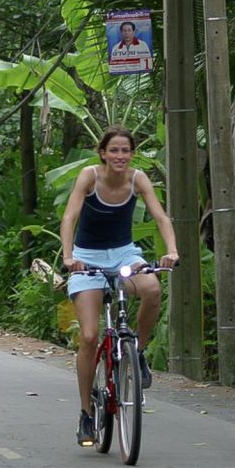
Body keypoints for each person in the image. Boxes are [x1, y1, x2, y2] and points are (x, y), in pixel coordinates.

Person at [60, 125, 180, 446]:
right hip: (87, 257)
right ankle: (86, 412)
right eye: (113, 150)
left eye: (125, 150)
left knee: (152, 289)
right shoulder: (89, 176)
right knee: (88, 336)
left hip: (124, 254)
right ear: (103, 153)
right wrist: (70, 257)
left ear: (132, 154)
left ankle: (136, 350)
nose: (120, 156)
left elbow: (161, 217)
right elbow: (70, 217)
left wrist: (171, 251)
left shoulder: (138, 179)